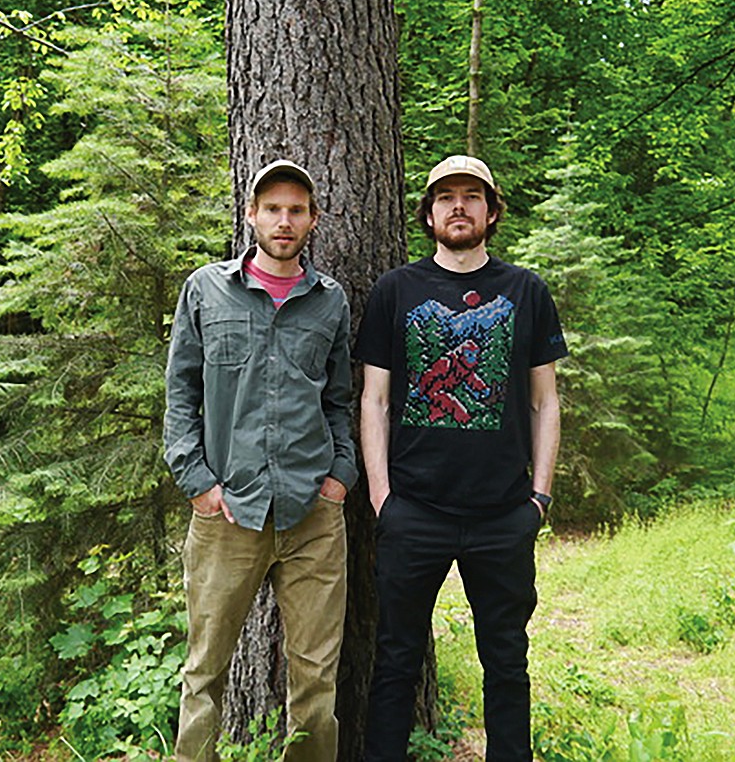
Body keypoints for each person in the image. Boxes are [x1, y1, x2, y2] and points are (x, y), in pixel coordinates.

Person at [355, 155, 568, 761]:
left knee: (506, 661)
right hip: (413, 509)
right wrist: (381, 497)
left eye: (471, 196)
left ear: (491, 211)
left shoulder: (526, 290)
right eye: (444, 196)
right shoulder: (397, 290)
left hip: (503, 513)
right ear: (428, 213)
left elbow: (545, 401)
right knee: (395, 660)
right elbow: (373, 399)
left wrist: (539, 498)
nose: (458, 205)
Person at [163, 159, 358, 762]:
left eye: (296, 210)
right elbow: (180, 393)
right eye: (272, 208)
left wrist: (340, 477)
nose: (283, 220)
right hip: (227, 514)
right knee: (203, 674)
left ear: (313, 220)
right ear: (251, 215)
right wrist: (198, 482)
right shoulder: (206, 290)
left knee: (315, 683)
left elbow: (339, 400)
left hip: (312, 517)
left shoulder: (329, 303)